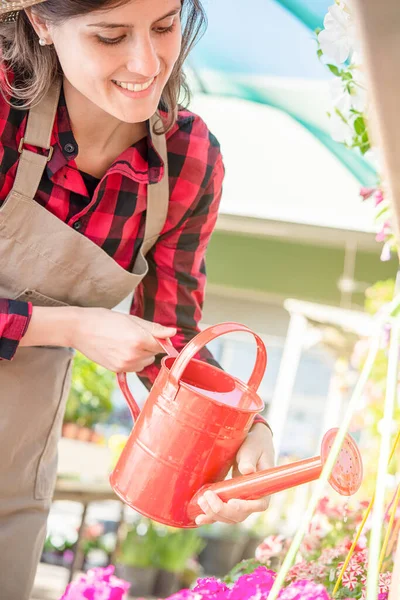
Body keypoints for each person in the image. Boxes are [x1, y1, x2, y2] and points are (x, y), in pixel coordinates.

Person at [0, 0, 274, 598]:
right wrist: (71, 327)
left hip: (11, 479)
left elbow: (170, 343)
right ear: (42, 24)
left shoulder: (187, 159)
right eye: (110, 35)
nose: (147, 62)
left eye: (164, 26)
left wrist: (240, 432)